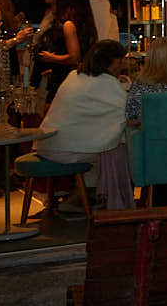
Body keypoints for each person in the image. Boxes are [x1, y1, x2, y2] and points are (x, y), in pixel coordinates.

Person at [36, 40, 135, 210]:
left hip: (48, 144)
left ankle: (81, 197)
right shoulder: (107, 82)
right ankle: (110, 202)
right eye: (119, 62)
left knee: (107, 146)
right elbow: (126, 113)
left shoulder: (74, 75)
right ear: (109, 62)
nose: (121, 67)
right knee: (118, 150)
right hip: (66, 150)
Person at [34, 0, 98, 105]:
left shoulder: (68, 25)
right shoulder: (86, 26)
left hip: (64, 78)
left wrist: (51, 58)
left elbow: (74, 57)